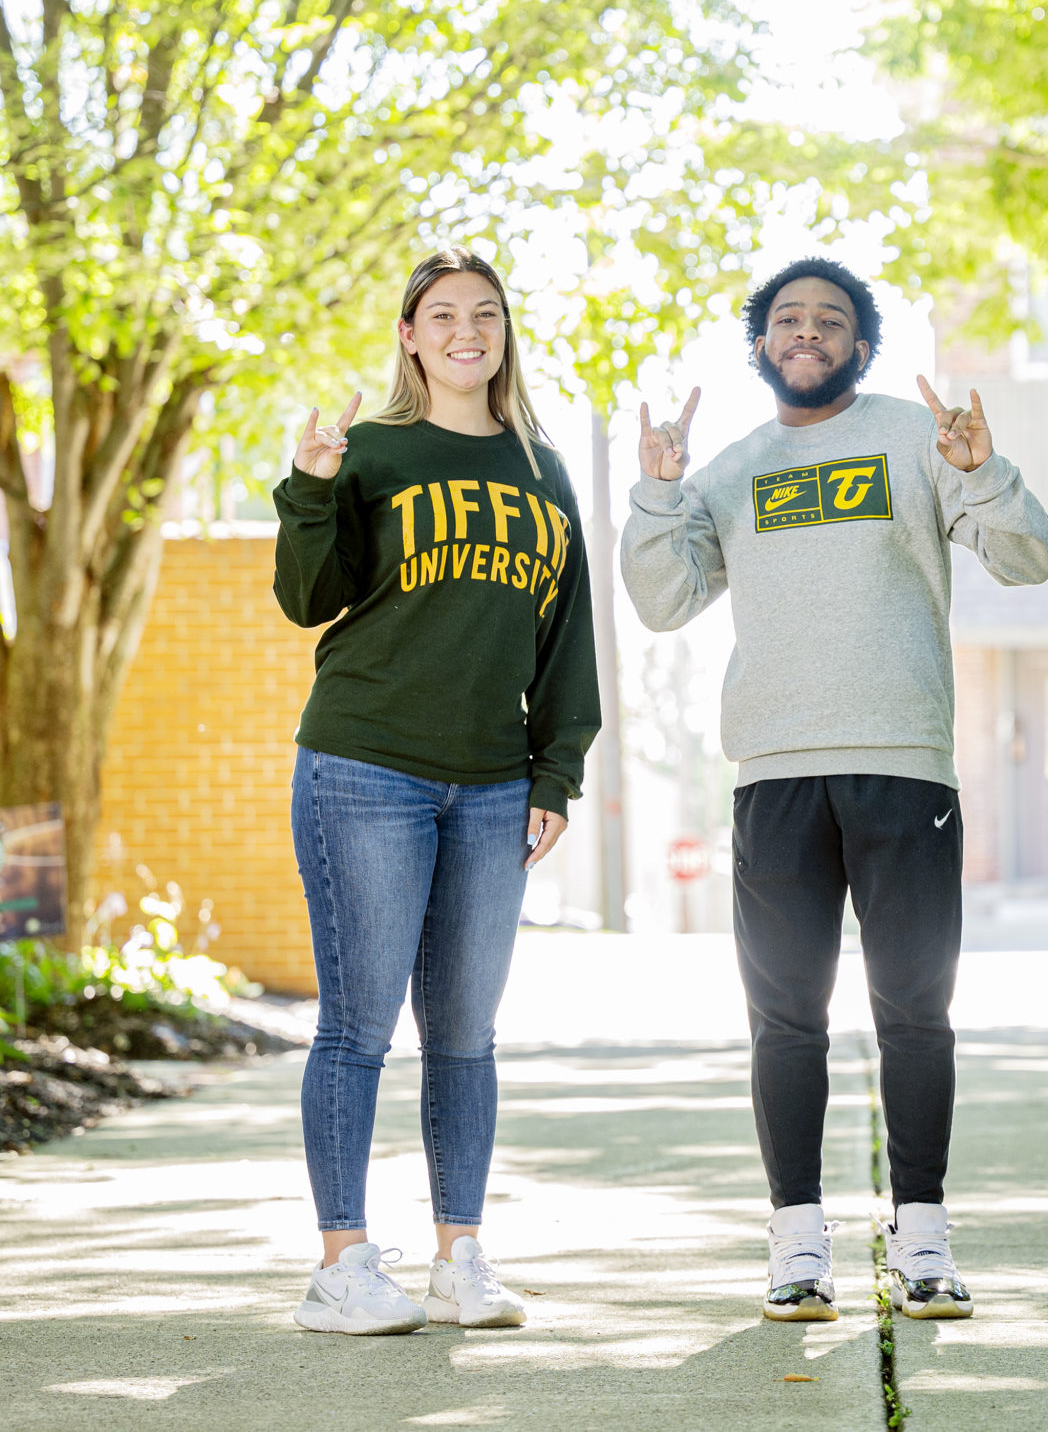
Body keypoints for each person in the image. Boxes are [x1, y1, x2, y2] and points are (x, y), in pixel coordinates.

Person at [621, 257, 1048, 1323]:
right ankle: (797, 1242)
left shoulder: (919, 441)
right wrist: (659, 492)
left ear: (859, 345)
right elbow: (663, 600)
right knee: (784, 1019)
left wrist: (985, 470)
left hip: (903, 763)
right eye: (785, 319)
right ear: (760, 344)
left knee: (915, 1013)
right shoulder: (726, 470)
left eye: (828, 319)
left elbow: (1029, 558)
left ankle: (925, 1241)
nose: (804, 331)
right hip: (774, 772)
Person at [272, 248, 599, 1336]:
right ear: (409, 335)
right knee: (358, 1024)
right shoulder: (369, 452)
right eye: (443, 314)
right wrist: (312, 487)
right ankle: (342, 1263)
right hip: (365, 764)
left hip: (493, 785)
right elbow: (305, 599)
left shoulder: (543, 468)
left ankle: (461, 1255)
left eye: (487, 313)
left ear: (505, 332)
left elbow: (567, 642)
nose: (468, 330)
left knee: (465, 1032)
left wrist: (555, 767)